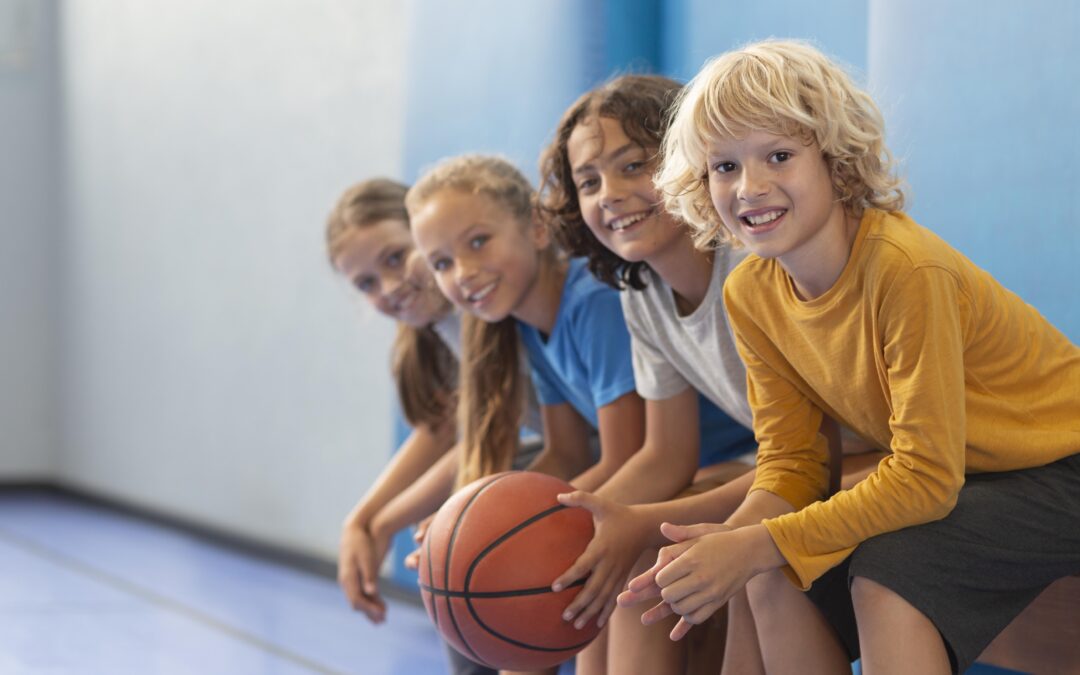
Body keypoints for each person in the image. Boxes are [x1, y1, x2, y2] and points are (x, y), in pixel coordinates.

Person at [620, 39, 1080, 675]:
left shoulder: (904, 270)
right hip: (973, 479)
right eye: (723, 167)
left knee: (890, 568)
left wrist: (757, 541)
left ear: (835, 162)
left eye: (778, 156)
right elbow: (791, 464)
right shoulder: (750, 293)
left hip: (1062, 468)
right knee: (769, 572)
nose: (749, 187)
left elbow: (923, 478)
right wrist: (733, 542)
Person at [536, 74, 883, 675]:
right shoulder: (640, 291)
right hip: (799, 466)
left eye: (633, 166)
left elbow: (812, 464)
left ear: (691, 165)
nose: (610, 194)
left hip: (873, 461)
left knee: (727, 555)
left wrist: (639, 523)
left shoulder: (755, 261)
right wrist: (564, 530)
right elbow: (667, 455)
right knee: (634, 555)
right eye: (589, 182)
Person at [406, 155, 646, 675]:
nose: (463, 273)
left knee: (583, 590)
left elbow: (630, 457)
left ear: (537, 228)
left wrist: (507, 529)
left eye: (477, 241)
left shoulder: (591, 302)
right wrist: (462, 524)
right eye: (442, 263)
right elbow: (567, 452)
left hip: (703, 470)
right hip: (650, 480)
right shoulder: (526, 323)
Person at [327, 178, 514, 675]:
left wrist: (383, 522)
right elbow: (442, 429)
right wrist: (361, 521)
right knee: (450, 531)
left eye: (394, 257)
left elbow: (490, 432)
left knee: (459, 531)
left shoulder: (481, 303)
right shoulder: (431, 331)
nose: (388, 288)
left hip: (570, 453)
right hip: (522, 453)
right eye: (366, 283)